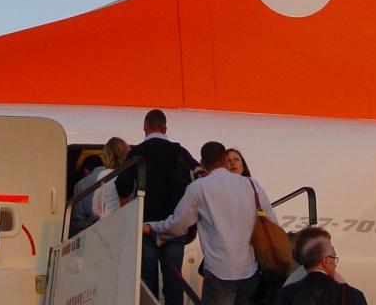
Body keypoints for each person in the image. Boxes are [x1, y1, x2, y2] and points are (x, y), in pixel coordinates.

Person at [145, 141, 277, 305]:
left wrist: (153, 227)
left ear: (202, 163)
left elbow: (179, 225)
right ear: (224, 159)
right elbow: (272, 220)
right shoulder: (251, 184)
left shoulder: (199, 187)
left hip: (219, 271)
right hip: (250, 271)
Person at [116, 108, 199, 305]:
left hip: (146, 226)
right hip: (174, 226)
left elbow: (122, 184)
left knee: (147, 278)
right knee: (174, 281)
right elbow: (198, 175)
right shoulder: (179, 151)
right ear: (165, 128)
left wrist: (129, 212)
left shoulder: (137, 153)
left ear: (145, 127)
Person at [277, 235, 367, 305]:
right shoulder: (353, 295)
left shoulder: (288, 293)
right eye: (334, 259)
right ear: (325, 261)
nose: (335, 265)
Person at [92, 136, 129, 217]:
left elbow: (95, 208)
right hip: (128, 221)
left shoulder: (104, 175)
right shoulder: (131, 173)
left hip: (108, 221)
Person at [69, 154, 105, 235]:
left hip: (93, 232)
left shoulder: (81, 184)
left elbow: (78, 218)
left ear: (85, 170)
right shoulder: (118, 175)